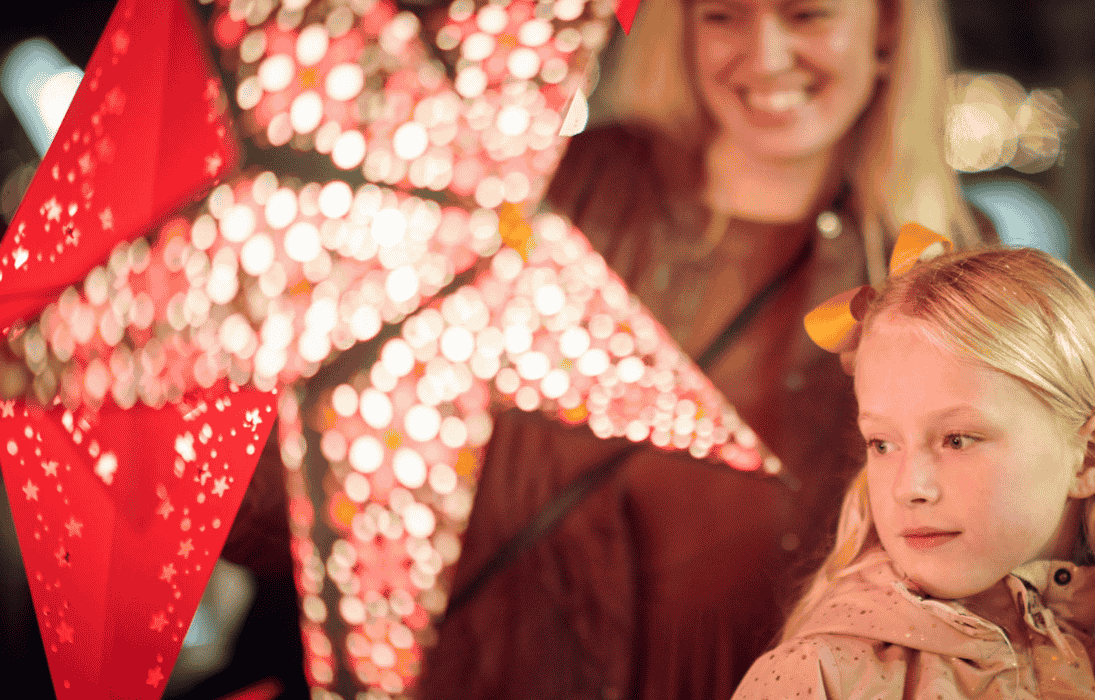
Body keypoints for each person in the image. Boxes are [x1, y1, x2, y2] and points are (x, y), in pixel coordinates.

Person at [420, 1, 991, 699]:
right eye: (722, 15)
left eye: (807, 15)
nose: (765, 54)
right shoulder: (568, 188)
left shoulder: (955, 268)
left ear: (888, 34)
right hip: (514, 668)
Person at [732, 246, 1095, 700]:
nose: (909, 489)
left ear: (1091, 457)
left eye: (957, 440)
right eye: (882, 444)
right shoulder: (815, 678)